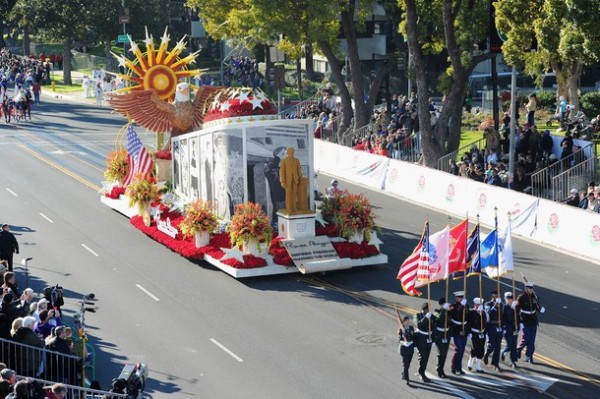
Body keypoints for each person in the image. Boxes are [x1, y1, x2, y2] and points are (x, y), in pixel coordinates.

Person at [516, 282, 545, 363]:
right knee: (526, 339)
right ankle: (518, 350)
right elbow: (516, 310)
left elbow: (537, 307)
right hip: (524, 320)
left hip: (533, 320)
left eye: (532, 288)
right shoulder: (521, 297)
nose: (531, 290)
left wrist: (540, 309)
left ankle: (529, 356)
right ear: (526, 289)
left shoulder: (535, 297)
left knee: (532, 340)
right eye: (529, 288)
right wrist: (518, 321)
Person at [449, 291, 468, 375]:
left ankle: (459, 367)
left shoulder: (466, 306)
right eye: (459, 297)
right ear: (456, 298)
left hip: (464, 330)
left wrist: (469, 331)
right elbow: (456, 313)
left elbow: (468, 316)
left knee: (462, 350)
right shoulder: (453, 306)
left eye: (461, 297)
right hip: (456, 330)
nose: (460, 299)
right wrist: (462, 306)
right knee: (458, 349)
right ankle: (453, 365)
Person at [413, 303, 433, 383]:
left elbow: (434, 327)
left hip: (429, 339)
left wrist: (433, 340)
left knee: (426, 357)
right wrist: (426, 318)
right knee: (424, 357)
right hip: (421, 338)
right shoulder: (417, 315)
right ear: (424, 309)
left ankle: (422, 371)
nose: (429, 310)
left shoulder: (431, 316)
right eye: (428, 309)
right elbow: (418, 325)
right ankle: (421, 373)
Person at [483, 291, 503, 372]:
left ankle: (495, 364)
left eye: (499, 295)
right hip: (491, 326)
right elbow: (489, 313)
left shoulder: (502, 305)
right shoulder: (488, 304)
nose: (498, 296)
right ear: (492, 296)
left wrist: (504, 327)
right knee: (492, 346)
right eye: (496, 295)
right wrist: (496, 305)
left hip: (499, 327)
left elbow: (504, 316)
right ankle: (486, 354)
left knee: (498, 347)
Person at [467, 297, 487, 373]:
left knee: (481, 349)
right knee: (475, 348)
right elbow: (469, 322)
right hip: (474, 332)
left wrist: (482, 313)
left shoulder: (483, 312)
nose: (479, 305)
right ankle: (470, 362)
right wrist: (469, 333)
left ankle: (478, 366)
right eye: (477, 304)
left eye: (480, 304)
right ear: (475, 304)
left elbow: (485, 322)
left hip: (482, 332)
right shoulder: (472, 312)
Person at [279, 147, 302, 214]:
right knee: (288, 194)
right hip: (287, 181)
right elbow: (281, 171)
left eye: (292, 152)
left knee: (295, 194)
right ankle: (289, 208)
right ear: (288, 153)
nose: (291, 153)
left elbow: (299, 170)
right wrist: (282, 181)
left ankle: (294, 207)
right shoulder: (284, 161)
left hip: (295, 179)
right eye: (290, 152)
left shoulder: (297, 160)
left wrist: (300, 177)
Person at [433, 297, 451, 378]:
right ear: (441, 305)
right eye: (444, 304)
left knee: (445, 353)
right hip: (439, 334)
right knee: (442, 353)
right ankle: (439, 368)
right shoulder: (436, 311)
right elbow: (439, 319)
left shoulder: (448, 312)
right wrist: (443, 309)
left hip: (446, 334)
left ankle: (441, 369)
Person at [501, 292, 519, 368]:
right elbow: (503, 318)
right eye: (508, 299)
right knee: (510, 344)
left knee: (514, 345)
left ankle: (513, 361)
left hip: (515, 328)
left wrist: (519, 324)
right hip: (507, 328)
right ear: (505, 299)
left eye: (511, 298)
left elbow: (518, 316)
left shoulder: (515, 306)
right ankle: (504, 352)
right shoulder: (504, 307)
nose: (509, 300)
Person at [397, 316, 415, 385]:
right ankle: (407, 379)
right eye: (406, 321)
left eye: (408, 321)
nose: (408, 322)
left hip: (410, 349)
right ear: (403, 322)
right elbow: (399, 340)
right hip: (403, 349)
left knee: (408, 365)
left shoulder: (411, 328)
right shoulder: (400, 330)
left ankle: (403, 373)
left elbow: (413, 337)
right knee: (406, 365)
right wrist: (404, 343)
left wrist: (414, 345)